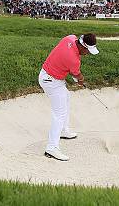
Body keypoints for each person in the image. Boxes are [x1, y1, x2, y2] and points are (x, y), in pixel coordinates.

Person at [38, 33, 99, 161]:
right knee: (59, 114)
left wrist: (76, 77)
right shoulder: (73, 60)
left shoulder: (70, 38)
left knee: (66, 97)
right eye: (87, 50)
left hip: (50, 76)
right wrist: (81, 80)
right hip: (51, 81)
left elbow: (69, 68)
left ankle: (64, 131)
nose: (87, 53)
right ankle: (51, 148)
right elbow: (77, 75)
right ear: (82, 46)